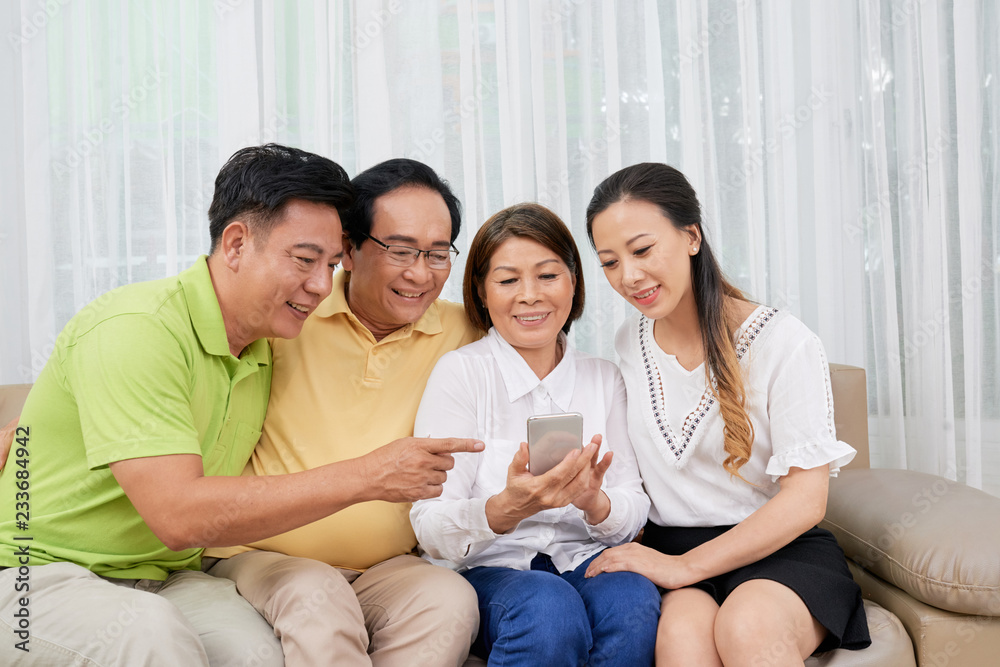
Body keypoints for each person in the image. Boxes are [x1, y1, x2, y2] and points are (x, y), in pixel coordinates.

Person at [0, 145, 481, 666]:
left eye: (330, 264)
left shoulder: (260, 342)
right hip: (37, 573)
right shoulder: (138, 328)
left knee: (256, 654)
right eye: (304, 260)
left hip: (165, 575)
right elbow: (178, 514)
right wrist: (368, 475)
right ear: (235, 244)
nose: (322, 286)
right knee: (150, 635)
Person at [583, 163, 871, 666]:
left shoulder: (784, 341)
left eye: (643, 249)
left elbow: (806, 500)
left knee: (747, 627)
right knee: (682, 644)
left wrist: (684, 568)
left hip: (780, 551)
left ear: (691, 236)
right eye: (609, 262)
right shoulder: (628, 342)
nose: (628, 276)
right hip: (673, 547)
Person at [204, 158, 484, 666]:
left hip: (389, 565)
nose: (420, 273)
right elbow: (173, 362)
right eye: (400, 250)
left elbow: (543, 371)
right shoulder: (289, 309)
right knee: (319, 599)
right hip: (262, 556)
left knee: (449, 601)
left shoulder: (465, 334)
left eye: (438, 254)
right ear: (349, 250)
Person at [410, 203, 661, 666]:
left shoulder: (605, 378)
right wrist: (501, 510)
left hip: (582, 558)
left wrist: (595, 503)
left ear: (573, 283)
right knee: (547, 607)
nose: (530, 296)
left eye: (547, 276)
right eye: (507, 281)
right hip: (490, 571)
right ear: (482, 293)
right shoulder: (462, 374)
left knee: (632, 599)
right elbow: (428, 525)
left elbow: (633, 508)